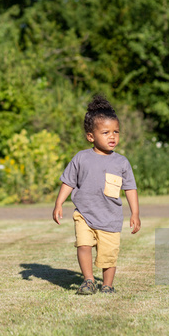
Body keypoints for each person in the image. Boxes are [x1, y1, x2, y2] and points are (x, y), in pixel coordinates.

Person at [52, 94, 141, 295]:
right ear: (91, 136)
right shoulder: (81, 158)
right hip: (84, 213)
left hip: (110, 218)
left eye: (116, 132)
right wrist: (59, 203)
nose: (112, 136)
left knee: (109, 255)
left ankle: (107, 285)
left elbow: (130, 189)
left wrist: (135, 213)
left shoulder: (121, 162)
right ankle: (89, 281)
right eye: (106, 132)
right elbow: (68, 181)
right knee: (83, 245)